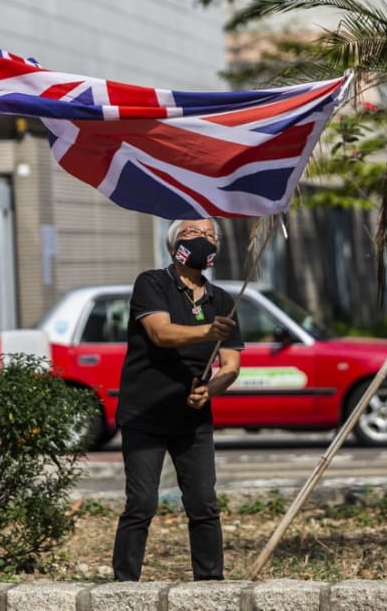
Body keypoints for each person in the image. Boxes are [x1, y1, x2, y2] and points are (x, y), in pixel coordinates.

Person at [112, 218, 243, 582]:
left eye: (210, 235)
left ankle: (210, 583)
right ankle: (124, 585)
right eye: (192, 233)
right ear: (173, 247)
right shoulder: (152, 283)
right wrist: (207, 330)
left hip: (192, 418)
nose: (203, 239)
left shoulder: (224, 300)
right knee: (141, 504)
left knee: (203, 503)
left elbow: (231, 365)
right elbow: (160, 332)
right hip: (145, 413)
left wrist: (211, 390)